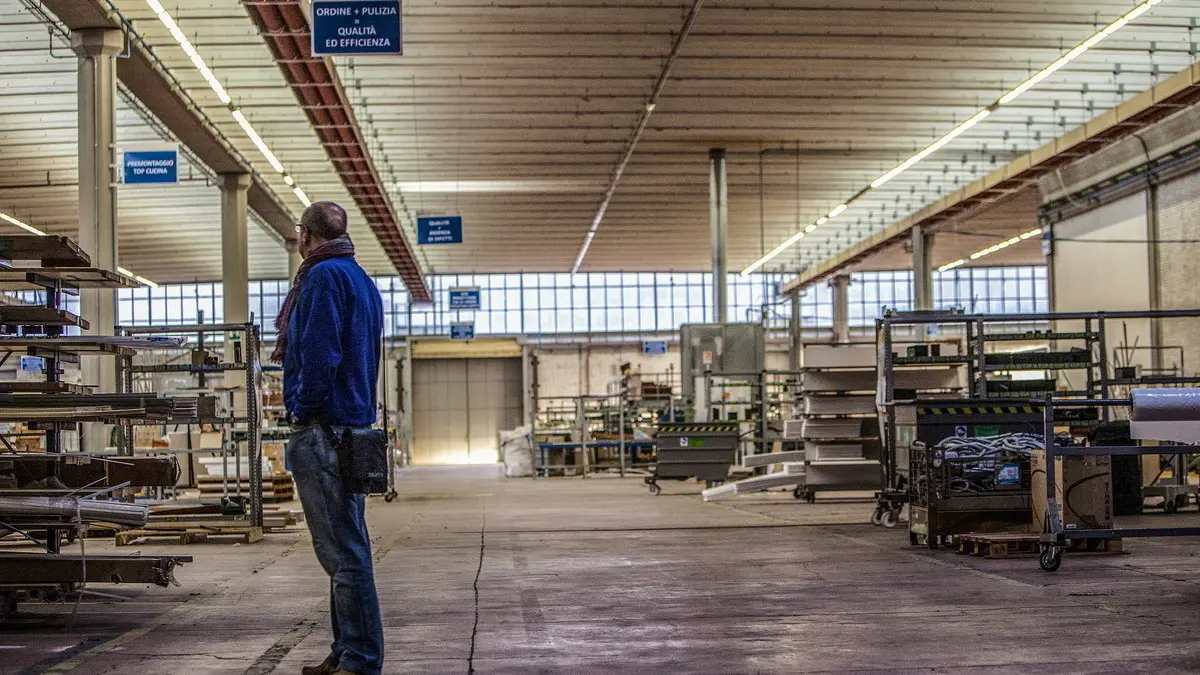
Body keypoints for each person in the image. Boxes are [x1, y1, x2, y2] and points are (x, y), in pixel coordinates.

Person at [278, 202, 385, 675]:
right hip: (355, 430)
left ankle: (360, 659)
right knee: (345, 548)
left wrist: (302, 406)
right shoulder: (361, 279)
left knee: (344, 555)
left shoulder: (321, 278)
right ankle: (346, 651)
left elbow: (320, 353)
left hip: (326, 429)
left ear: (305, 235)